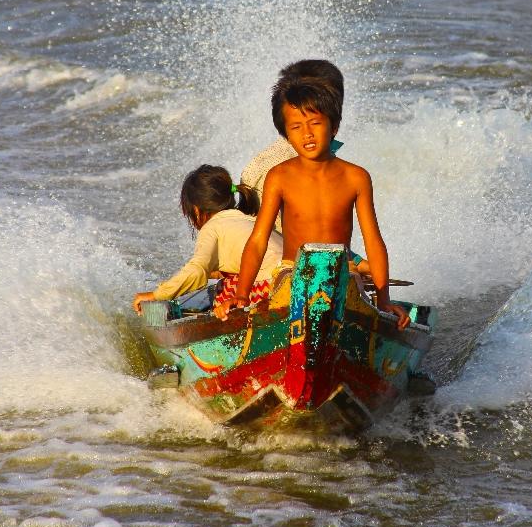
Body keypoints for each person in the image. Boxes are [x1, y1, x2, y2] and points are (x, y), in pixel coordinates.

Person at [216, 72, 410, 329]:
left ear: (334, 126)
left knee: (351, 299)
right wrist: (241, 295)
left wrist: (384, 301)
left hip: (344, 271)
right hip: (291, 270)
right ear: (286, 134)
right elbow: (258, 239)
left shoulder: (356, 177)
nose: (307, 134)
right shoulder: (279, 176)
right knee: (285, 300)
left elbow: (373, 240)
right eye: (296, 127)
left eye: (315, 123)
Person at [240, 58, 369, 275]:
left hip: (309, 256)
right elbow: (288, 234)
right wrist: (361, 264)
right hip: (275, 260)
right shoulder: (283, 167)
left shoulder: (311, 150)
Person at [133, 165, 283, 314]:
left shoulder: (212, 227)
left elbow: (197, 271)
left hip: (270, 286)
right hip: (288, 277)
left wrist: (155, 295)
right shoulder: (248, 219)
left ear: (196, 210)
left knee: (223, 289)